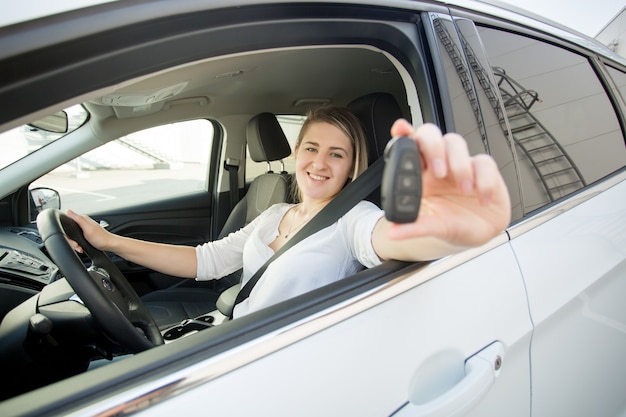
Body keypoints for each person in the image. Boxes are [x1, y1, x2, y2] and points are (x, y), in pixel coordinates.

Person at [68, 106, 511, 318]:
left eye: (337, 155)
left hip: (276, 354)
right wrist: (109, 242)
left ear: (352, 167)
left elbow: (390, 239)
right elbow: (204, 261)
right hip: (232, 333)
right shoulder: (275, 211)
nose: (320, 163)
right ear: (297, 153)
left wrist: (448, 232)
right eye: (312, 148)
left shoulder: (353, 219)